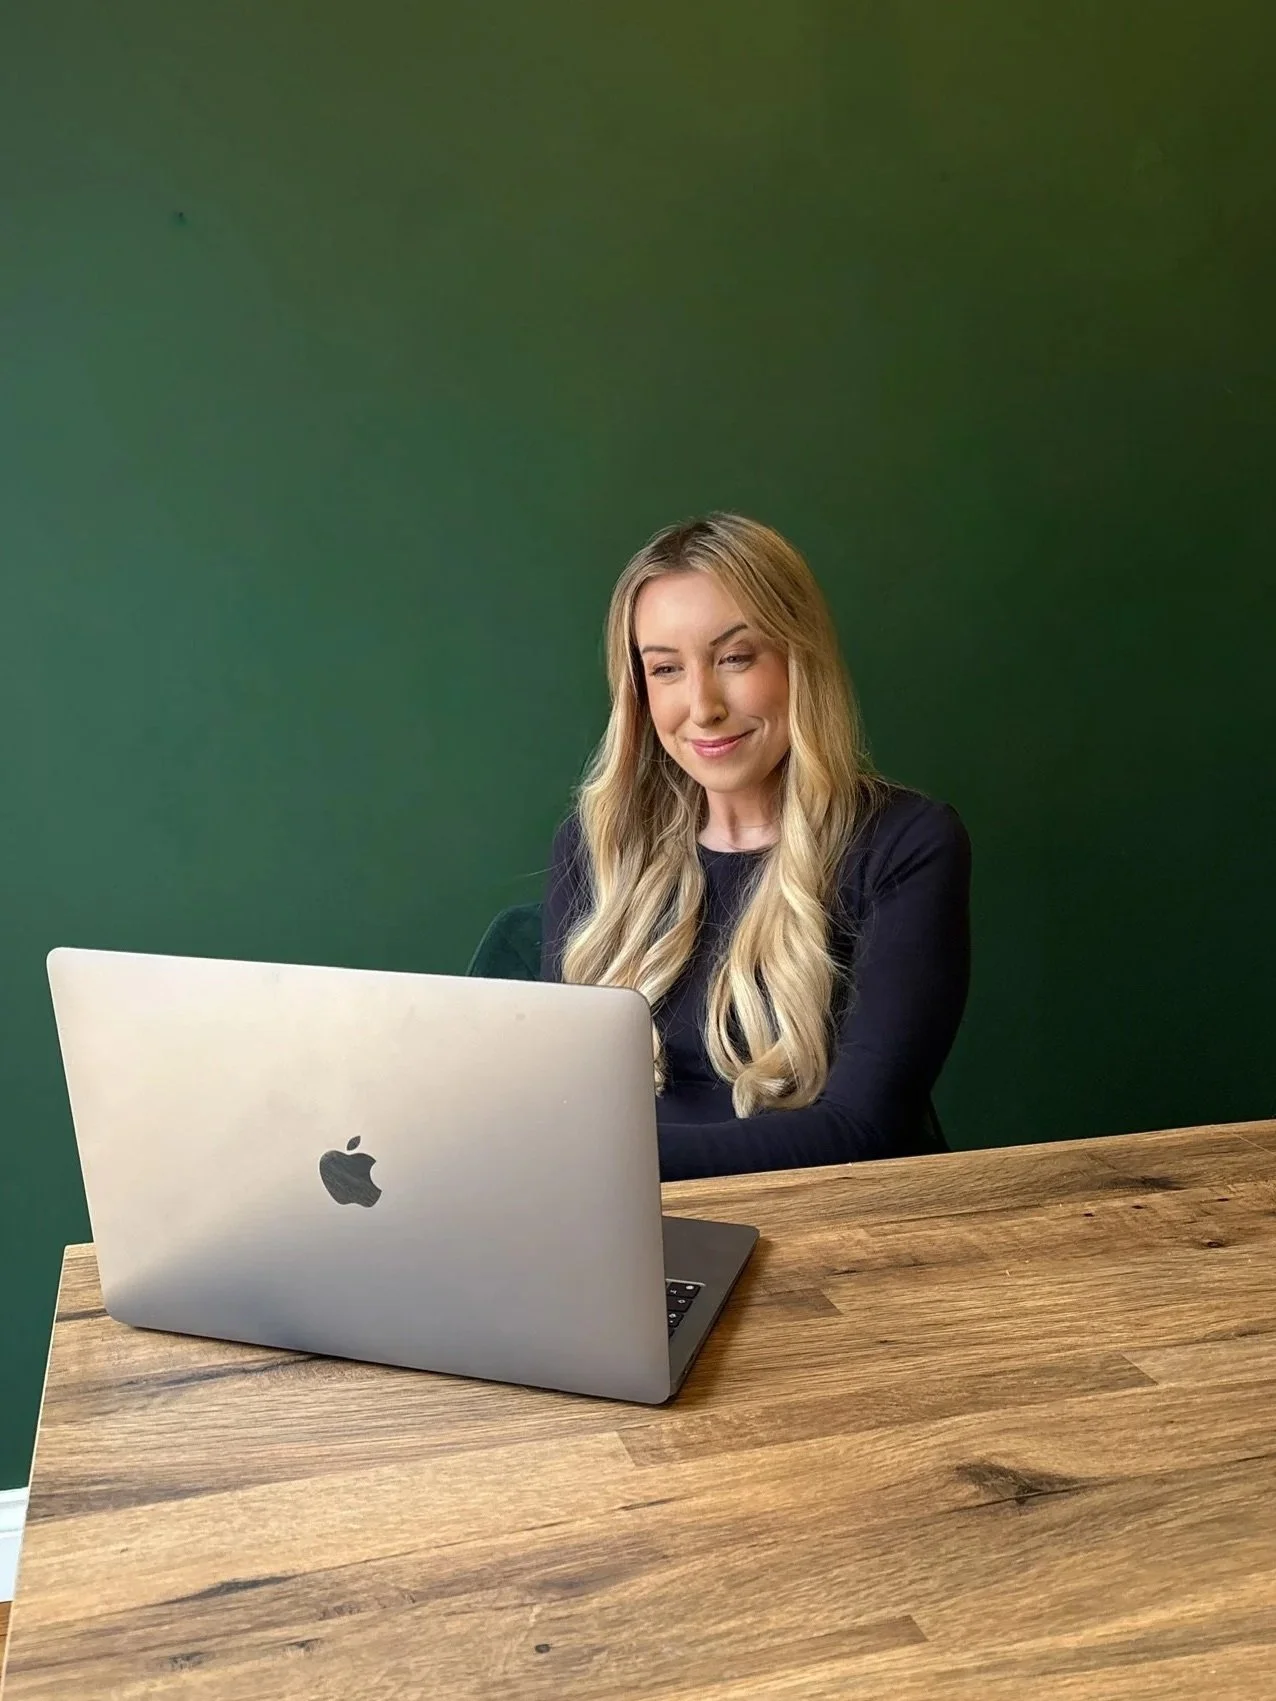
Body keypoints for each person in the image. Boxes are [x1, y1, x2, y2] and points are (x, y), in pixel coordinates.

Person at [540, 513, 970, 1181]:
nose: (702, 705)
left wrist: (595, 1160)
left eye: (735, 658)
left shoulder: (907, 844)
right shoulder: (598, 843)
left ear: (800, 659)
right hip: (632, 1221)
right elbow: (558, 1098)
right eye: (666, 669)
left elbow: (863, 1130)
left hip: (835, 1222)